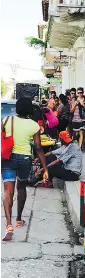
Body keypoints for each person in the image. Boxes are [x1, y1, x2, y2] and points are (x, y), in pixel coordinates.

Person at [1, 97, 48, 241]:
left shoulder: (6, 120)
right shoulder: (34, 125)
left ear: (17, 108)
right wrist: (45, 168)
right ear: (29, 110)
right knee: (21, 188)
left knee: (8, 191)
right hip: (25, 160)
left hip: (8, 158)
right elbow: (38, 147)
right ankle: (19, 219)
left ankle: (9, 224)